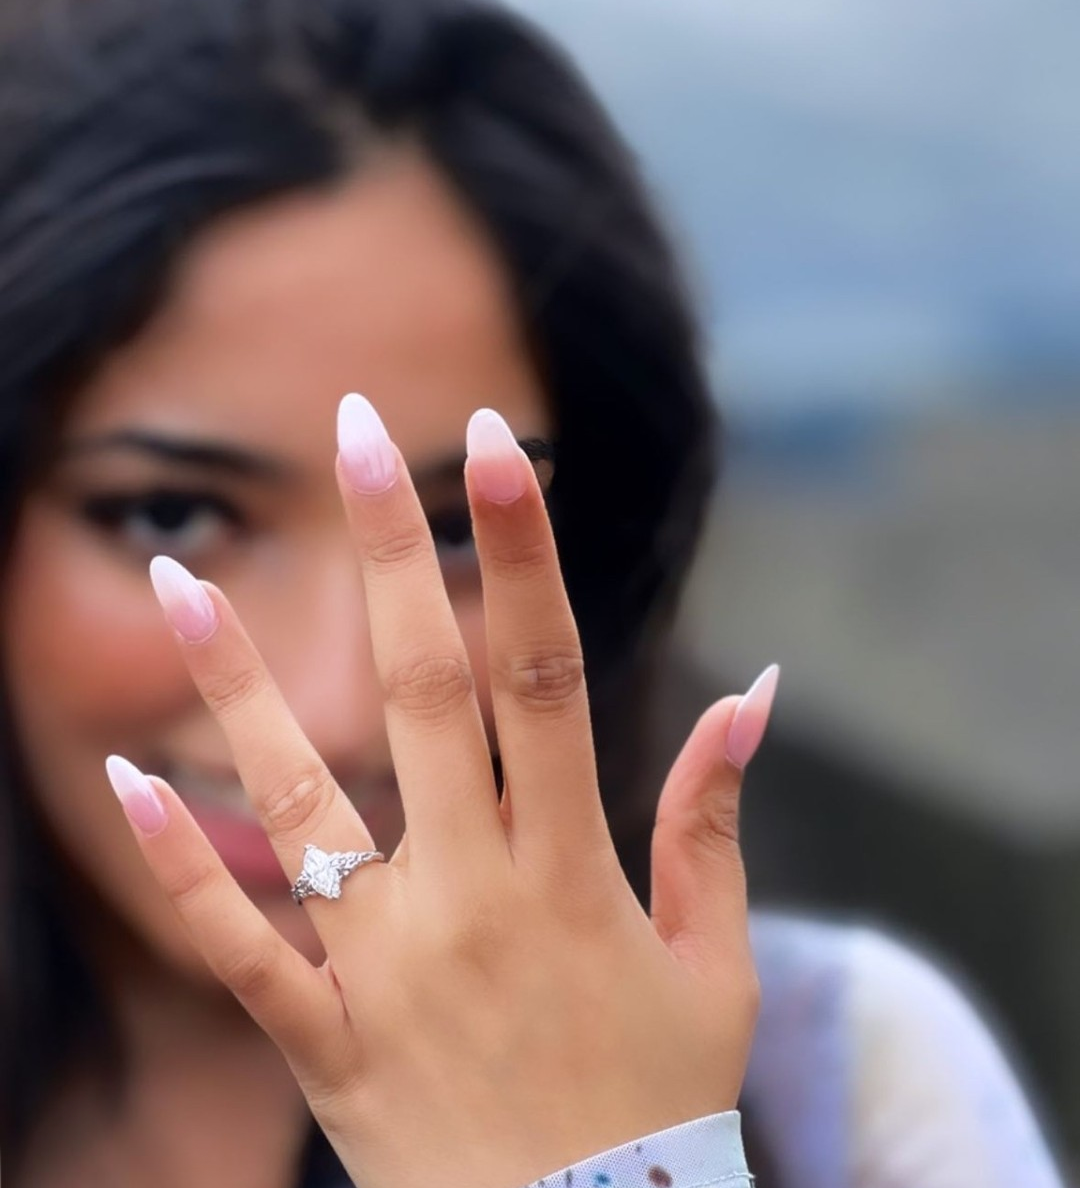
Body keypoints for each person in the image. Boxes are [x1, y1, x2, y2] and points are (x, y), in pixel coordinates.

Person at [0, 1, 1064, 1185]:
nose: (334, 714)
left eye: (461, 529)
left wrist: (616, 1158)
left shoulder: (854, 1086)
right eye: (169, 516)